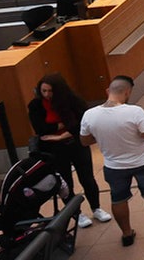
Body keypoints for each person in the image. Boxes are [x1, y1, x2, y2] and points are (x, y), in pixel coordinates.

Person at [79, 76, 144, 247]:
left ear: (107, 91)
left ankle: (127, 234)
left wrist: (106, 136)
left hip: (114, 166)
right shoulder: (134, 112)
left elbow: (85, 141)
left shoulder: (90, 115)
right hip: (143, 162)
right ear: (127, 92)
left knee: (118, 199)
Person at [27, 74, 112, 228]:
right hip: (54, 150)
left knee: (87, 178)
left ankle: (96, 207)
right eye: (43, 91)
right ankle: (76, 213)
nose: (47, 95)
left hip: (76, 144)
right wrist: (64, 126)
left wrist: (61, 133)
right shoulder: (35, 106)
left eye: (50, 91)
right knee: (65, 182)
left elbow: (81, 122)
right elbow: (41, 129)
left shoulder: (72, 100)